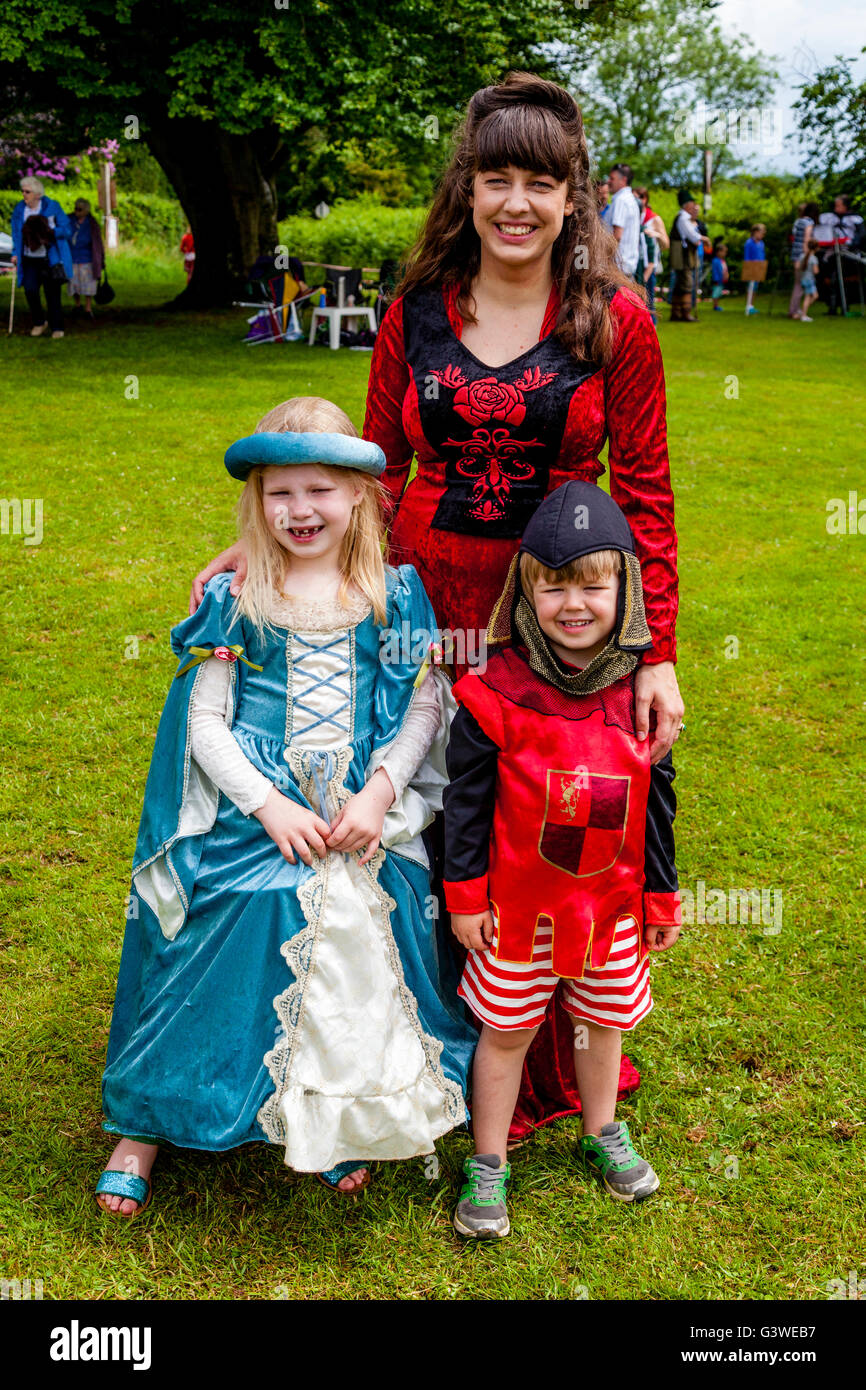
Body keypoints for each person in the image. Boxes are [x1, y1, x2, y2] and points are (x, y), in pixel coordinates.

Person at [190, 71, 684, 1147]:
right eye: (495, 178)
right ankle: (400, 1044)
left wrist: (656, 654)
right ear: (466, 189)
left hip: (556, 619)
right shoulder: (414, 314)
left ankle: (544, 1045)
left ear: (571, 196)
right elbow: (371, 462)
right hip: (417, 597)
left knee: (538, 813)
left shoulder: (618, 322)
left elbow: (641, 492)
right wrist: (259, 539)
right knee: (418, 809)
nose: (515, 203)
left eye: (539, 184)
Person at [95, 395, 475, 1216]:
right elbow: (204, 723)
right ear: (255, 501)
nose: (300, 511)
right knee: (233, 911)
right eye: (280, 493)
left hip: (358, 809)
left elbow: (421, 706)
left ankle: (341, 1112)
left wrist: (379, 793)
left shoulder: (393, 594)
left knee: (374, 913)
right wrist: (270, 807)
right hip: (253, 812)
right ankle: (147, 1123)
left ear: (360, 497)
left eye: (320, 491)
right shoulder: (238, 599)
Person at [443, 481, 681, 1238]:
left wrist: (662, 899)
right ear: (525, 591)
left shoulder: (642, 701)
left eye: (593, 585)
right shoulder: (493, 694)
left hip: (609, 908)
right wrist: (465, 896)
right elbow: (466, 806)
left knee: (602, 1024)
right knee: (506, 1031)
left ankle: (602, 1128)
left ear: (627, 592)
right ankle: (487, 1160)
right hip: (514, 913)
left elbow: (658, 810)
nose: (573, 604)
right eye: (553, 587)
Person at [9, 175, 73, 339]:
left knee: (52, 293)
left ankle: (57, 327)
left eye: (27, 192)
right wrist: (16, 253)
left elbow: (67, 229)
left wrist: (52, 231)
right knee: (30, 290)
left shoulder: (52, 206)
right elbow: (16, 234)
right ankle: (39, 322)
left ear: (37, 194)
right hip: (29, 258)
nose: (24, 195)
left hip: (49, 258)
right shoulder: (19, 209)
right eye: (22, 191)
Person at [669, 190, 710, 322]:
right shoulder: (683, 218)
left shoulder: (684, 217)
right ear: (686, 204)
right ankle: (685, 312)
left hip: (683, 256)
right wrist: (704, 239)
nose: (694, 205)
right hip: (682, 256)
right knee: (687, 283)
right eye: (692, 202)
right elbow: (693, 236)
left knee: (680, 284)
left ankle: (676, 312)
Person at [635, 186, 669, 325]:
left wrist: (656, 235)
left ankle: (651, 329)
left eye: (640, 197)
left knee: (648, 301)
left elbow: (666, 244)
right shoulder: (634, 216)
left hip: (650, 263)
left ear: (645, 199)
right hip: (637, 262)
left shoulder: (654, 219)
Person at [68, 198, 105, 318]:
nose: (76, 211)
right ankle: (77, 305)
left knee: (88, 283)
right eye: (75, 209)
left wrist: (101, 259)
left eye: (79, 209)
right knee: (74, 283)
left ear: (86, 211)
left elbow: (98, 243)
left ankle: (88, 308)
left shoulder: (92, 223)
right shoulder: (69, 220)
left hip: (87, 258)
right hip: (72, 257)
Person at [607, 162, 642, 283]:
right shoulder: (630, 199)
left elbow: (617, 235)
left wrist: (601, 258)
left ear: (623, 180)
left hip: (616, 267)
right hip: (626, 266)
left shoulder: (621, 200)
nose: (608, 181)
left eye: (612, 178)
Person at [788, 201, 820, 319]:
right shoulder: (809, 222)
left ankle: (795, 310)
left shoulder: (798, 221)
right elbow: (806, 239)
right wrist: (808, 255)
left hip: (795, 254)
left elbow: (795, 236)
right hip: (802, 255)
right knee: (800, 286)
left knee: (798, 284)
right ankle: (795, 311)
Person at [743, 223, 767, 316]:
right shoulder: (749, 243)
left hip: (759, 267)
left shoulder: (761, 243)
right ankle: (748, 305)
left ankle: (751, 305)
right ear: (755, 232)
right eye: (761, 233)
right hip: (751, 267)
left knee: (755, 287)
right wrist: (749, 267)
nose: (762, 235)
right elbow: (747, 256)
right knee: (750, 287)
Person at [795, 239, 820, 322]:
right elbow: (816, 271)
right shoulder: (814, 258)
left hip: (803, 279)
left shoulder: (802, 256)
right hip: (809, 280)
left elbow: (797, 267)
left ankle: (802, 312)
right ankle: (803, 315)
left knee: (815, 296)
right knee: (808, 297)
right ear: (816, 248)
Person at [710, 239, 729, 311]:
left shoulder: (722, 261)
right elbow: (717, 271)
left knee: (719, 293)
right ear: (718, 252)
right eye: (724, 252)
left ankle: (717, 305)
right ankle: (715, 306)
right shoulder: (715, 261)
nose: (725, 253)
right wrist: (718, 278)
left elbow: (724, 270)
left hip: (722, 280)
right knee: (716, 293)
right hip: (717, 280)